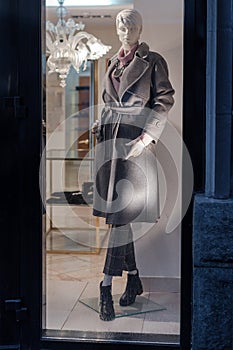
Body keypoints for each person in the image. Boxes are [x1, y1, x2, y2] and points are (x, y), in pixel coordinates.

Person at [92, 9, 175, 321]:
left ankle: (105, 287)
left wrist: (145, 140)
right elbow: (105, 103)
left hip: (134, 147)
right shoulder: (112, 63)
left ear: (140, 30)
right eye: (121, 27)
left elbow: (164, 101)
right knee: (119, 219)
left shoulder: (153, 61)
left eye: (131, 28)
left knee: (119, 221)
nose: (126, 33)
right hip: (108, 148)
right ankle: (135, 278)